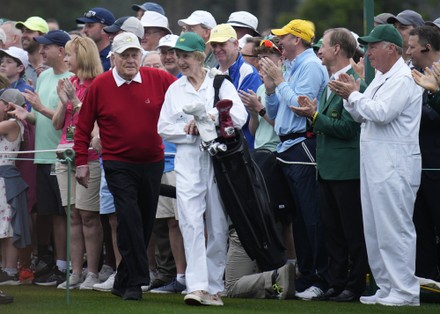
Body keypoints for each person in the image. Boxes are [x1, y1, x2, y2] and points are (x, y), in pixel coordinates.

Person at [74, 32, 176, 301]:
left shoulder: (159, 78)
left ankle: (122, 278)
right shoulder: (100, 85)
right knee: (128, 217)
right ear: (114, 58)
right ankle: (136, 281)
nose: (131, 60)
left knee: (143, 221)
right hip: (118, 162)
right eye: (125, 55)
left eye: (135, 55)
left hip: (153, 161)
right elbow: (83, 126)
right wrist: (81, 162)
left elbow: (185, 92)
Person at [329, 24, 423, 306]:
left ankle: (405, 291)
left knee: (394, 227)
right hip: (375, 162)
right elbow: (361, 115)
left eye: (373, 47)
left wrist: (353, 95)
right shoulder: (383, 77)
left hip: (394, 164)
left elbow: (381, 113)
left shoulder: (404, 79)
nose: (367, 53)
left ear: (391, 49)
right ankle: (386, 287)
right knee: (375, 228)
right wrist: (351, 96)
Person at [158, 31, 247, 306]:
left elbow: (239, 116)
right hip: (187, 162)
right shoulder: (175, 88)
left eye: (185, 56)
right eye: (178, 56)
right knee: (190, 222)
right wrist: (191, 132)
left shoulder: (220, 83)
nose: (180, 61)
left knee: (218, 224)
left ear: (199, 56)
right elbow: (163, 127)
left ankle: (214, 287)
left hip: (218, 162)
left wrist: (206, 120)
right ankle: (196, 286)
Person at [290, 28, 368, 302]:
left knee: (351, 231)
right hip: (328, 169)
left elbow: (349, 128)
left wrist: (314, 116)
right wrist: (315, 113)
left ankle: (354, 284)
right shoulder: (332, 81)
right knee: (332, 231)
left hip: (346, 169)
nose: (319, 50)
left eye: (323, 45)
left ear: (337, 49)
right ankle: (336, 283)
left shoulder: (352, 82)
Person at [261, 19, 329, 299]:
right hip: (287, 147)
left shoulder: (311, 65)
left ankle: (320, 278)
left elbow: (302, 106)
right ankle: (307, 273)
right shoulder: (290, 65)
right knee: (299, 217)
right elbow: (276, 111)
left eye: (284, 37)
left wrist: (279, 81)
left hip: (302, 144)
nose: (279, 42)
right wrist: (269, 88)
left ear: (297, 40)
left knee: (311, 217)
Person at [13, 30, 73, 286]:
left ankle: (66, 265)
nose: (41, 52)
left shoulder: (71, 79)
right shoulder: (44, 76)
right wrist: (28, 115)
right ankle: (58, 264)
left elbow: (65, 121)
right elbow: (43, 118)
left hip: (62, 155)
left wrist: (38, 109)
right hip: (42, 156)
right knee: (50, 213)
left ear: (61, 50)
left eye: (46, 47)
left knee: (66, 214)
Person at [51, 36, 104, 290]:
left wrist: (74, 101)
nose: (65, 59)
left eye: (69, 54)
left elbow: (97, 123)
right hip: (65, 153)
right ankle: (76, 272)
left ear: (82, 56)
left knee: (88, 216)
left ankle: (92, 272)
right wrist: (64, 104)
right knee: (72, 215)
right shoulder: (69, 82)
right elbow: (58, 124)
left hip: (89, 157)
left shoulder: (98, 85)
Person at [406, 25, 440, 282]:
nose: (408, 52)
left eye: (412, 47)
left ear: (427, 47)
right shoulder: (413, 73)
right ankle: (426, 283)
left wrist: (433, 92)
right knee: (421, 231)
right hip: (418, 166)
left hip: (437, 166)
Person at [207, 23, 261, 149]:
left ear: (236, 44)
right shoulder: (211, 74)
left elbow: (244, 114)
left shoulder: (247, 71)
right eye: (214, 45)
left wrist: (212, 116)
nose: (217, 49)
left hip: (243, 146)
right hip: (219, 145)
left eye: (222, 44)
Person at [0, 89, 29, 286]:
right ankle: (6, 268)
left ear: (9, 106)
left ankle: (10, 269)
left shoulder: (11, 124)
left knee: (8, 224)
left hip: (5, 179)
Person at [15, 16, 49, 87]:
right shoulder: (18, 66)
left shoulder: (52, 67)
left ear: (42, 35)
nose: (23, 35)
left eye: (29, 31)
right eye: (23, 31)